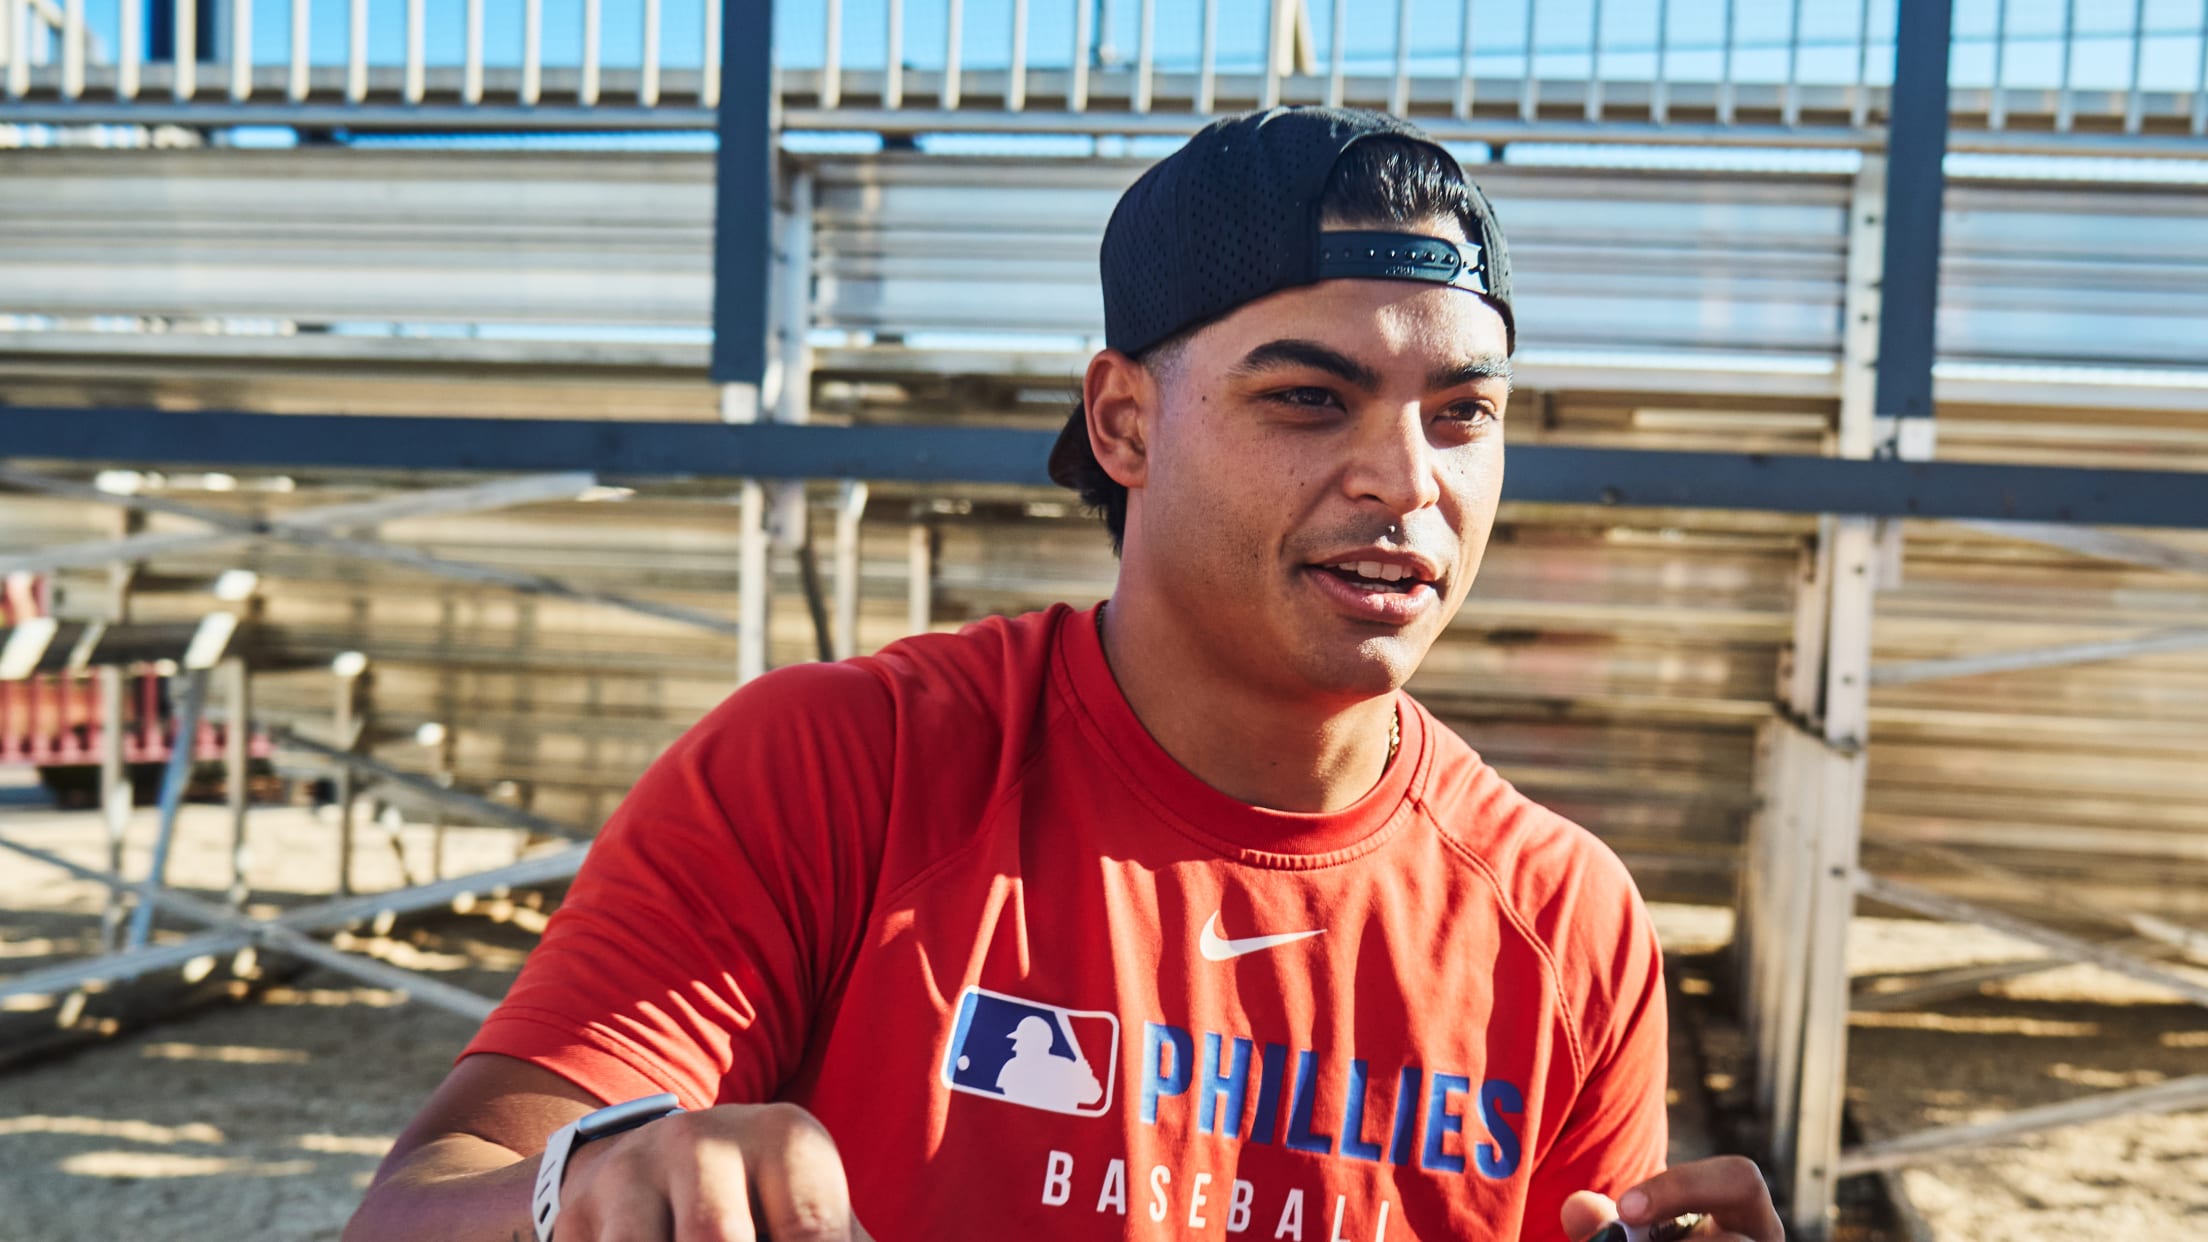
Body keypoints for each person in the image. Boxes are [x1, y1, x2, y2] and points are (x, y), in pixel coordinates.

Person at [346, 106, 1783, 1242]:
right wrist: (584, 1191)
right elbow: (418, 1206)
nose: (1407, 481)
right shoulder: (842, 771)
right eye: (1309, 398)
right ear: (1122, 423)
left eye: (1462, 412)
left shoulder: (1562, 919)